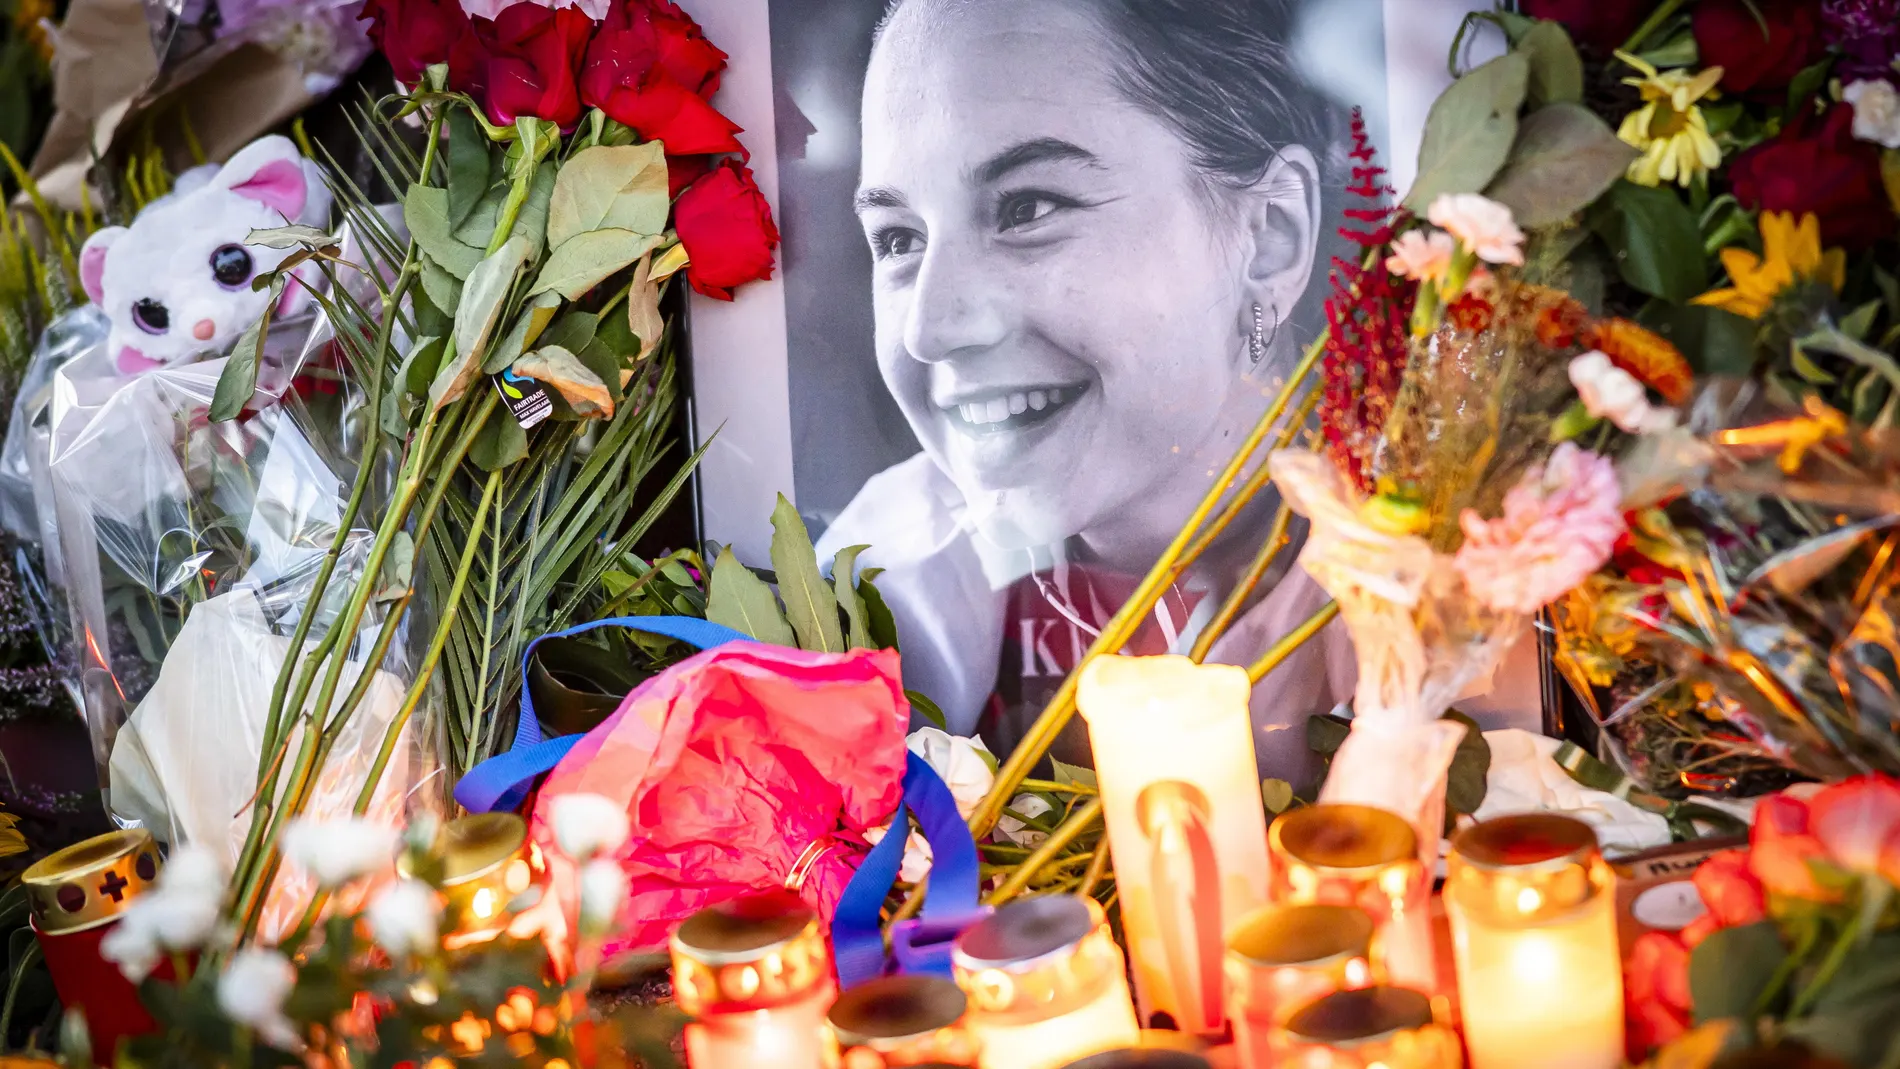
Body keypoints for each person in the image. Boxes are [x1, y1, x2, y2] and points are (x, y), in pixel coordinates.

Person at [816, 0, 1533, 779]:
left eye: (1028, 207)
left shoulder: (1483, 581)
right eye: (898, 239)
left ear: (1270, 236)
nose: (931, 326)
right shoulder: (880, 571)